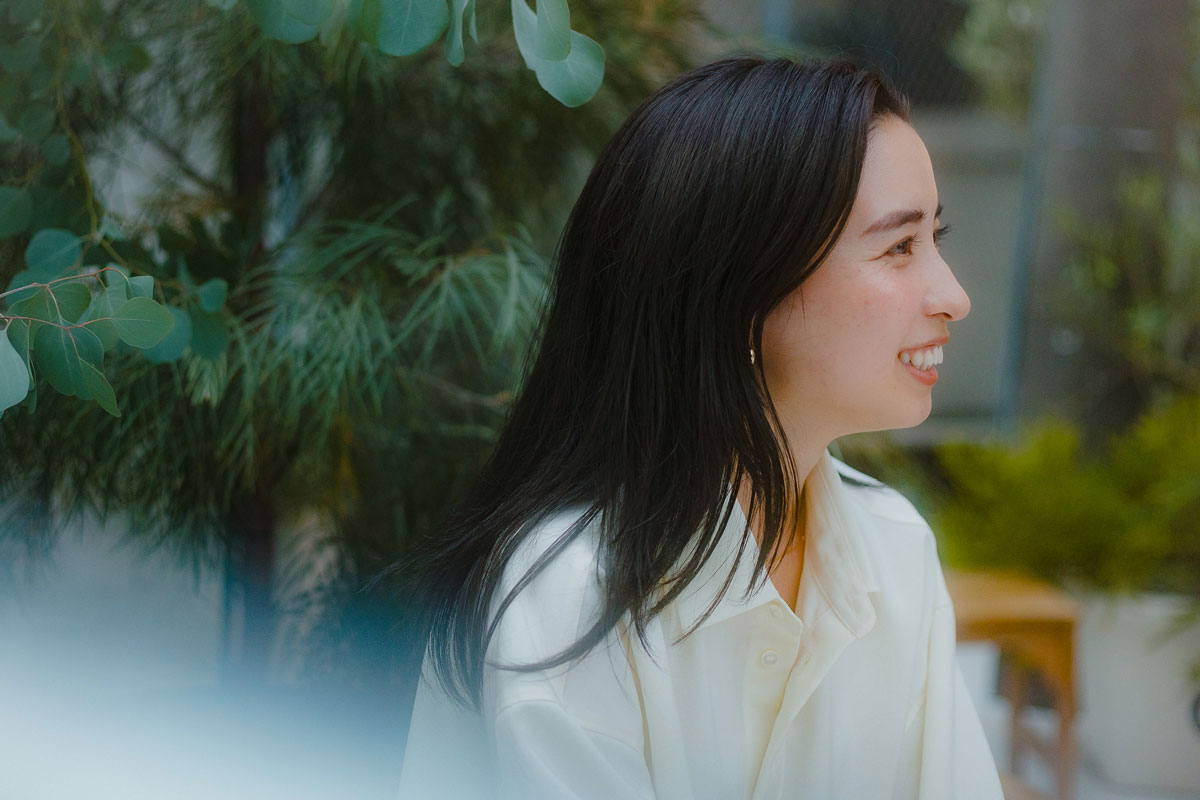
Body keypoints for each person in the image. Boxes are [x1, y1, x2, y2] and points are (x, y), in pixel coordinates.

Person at [396, 56, 1005, 800]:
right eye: (899, 246)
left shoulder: (896, 549)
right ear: (743, 288)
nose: (953, 296)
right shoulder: (571, 598)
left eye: (934, 238)